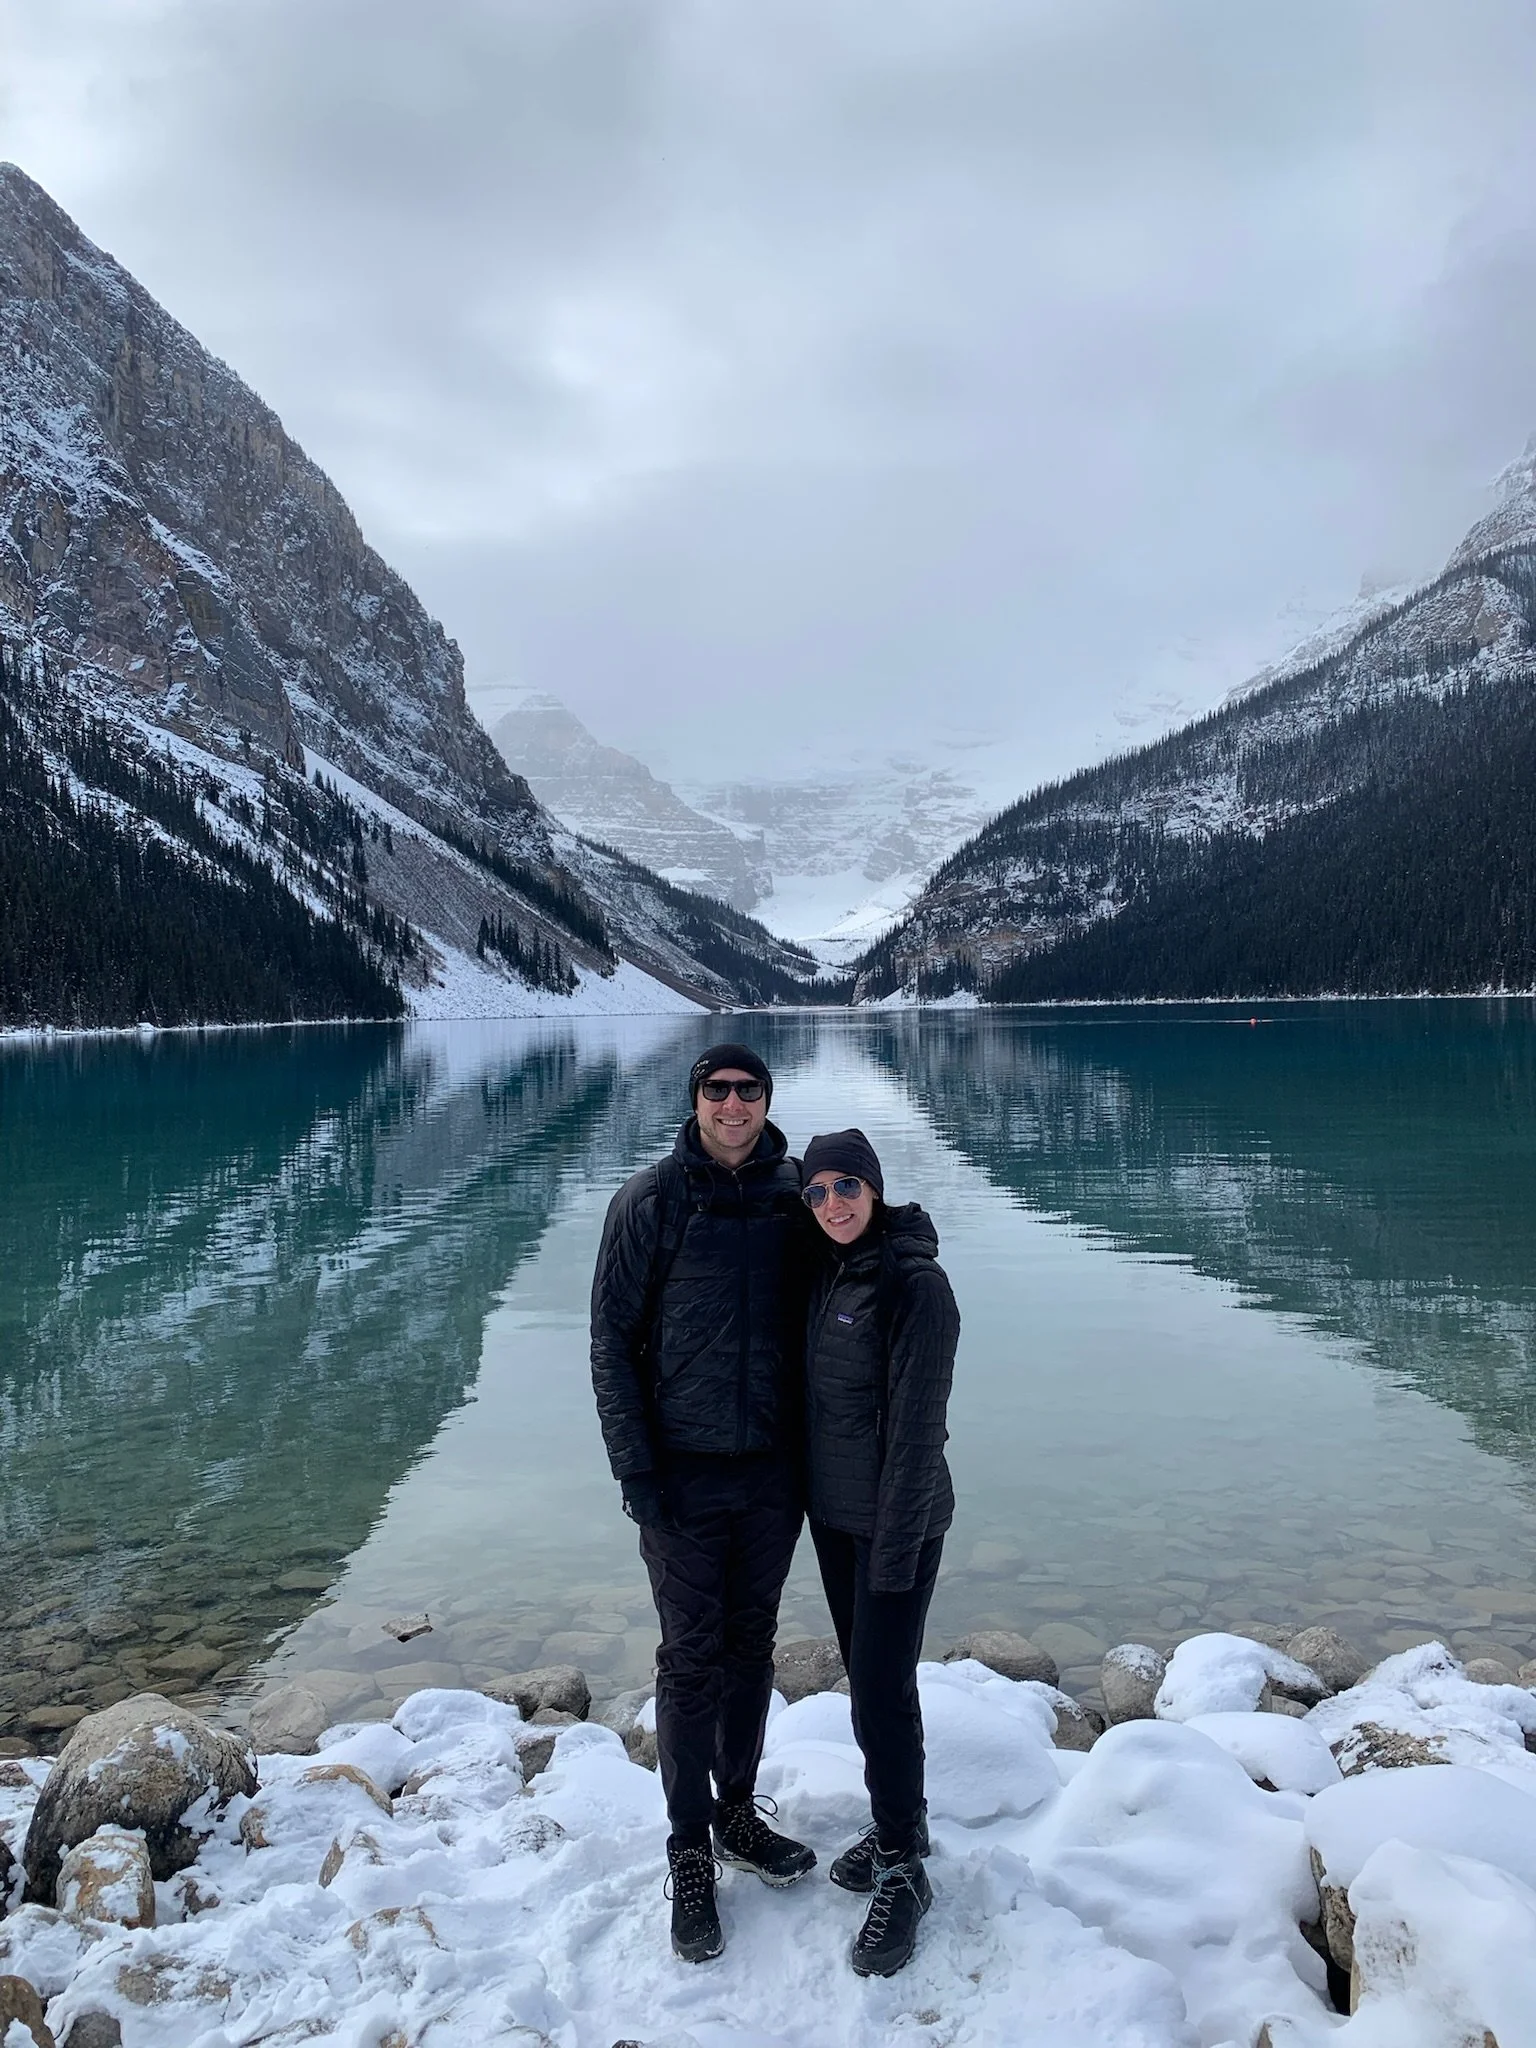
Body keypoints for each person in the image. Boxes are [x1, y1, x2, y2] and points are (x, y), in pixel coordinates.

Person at [590, 1043, 816, 1964]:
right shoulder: (649, 1200)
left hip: (773, 1474)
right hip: (680, 1475)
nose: (732, 1104)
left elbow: (859, 1266)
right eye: (716, 1090)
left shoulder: (797, 1194)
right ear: (694, 1101)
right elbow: (611, 1341)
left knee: (750, 1649)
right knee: (690, 1662)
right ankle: (689, 1850)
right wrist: (636, 1472)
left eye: (747, 1090)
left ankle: (737, 1814)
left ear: (766, 1099)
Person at [800, 1127, 959, 1978]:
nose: (832, 1204)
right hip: (836, 1520)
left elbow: (917, 1434)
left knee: (880, 1695)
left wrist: (894, 1557)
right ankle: (905, 1825)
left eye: (847, 1187)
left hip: (898, 1524)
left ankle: (904, 1868)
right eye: (817, 1191)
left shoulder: (915, 1286)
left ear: (875, 1188)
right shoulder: (830, 1270)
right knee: (873, 1687)